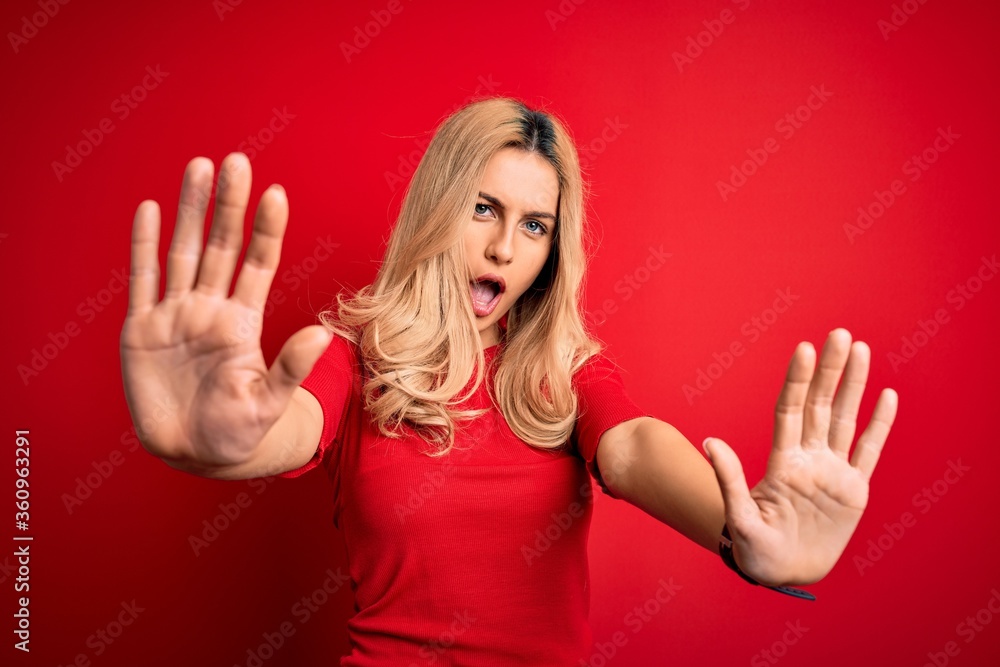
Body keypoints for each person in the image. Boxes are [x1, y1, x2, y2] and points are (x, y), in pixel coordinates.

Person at [119, 97, 899, 664]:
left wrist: (741, 535)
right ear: (438, 206)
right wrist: (221, 443)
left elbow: (631, 448)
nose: (502, 248)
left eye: (534, 224)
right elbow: (289, 424)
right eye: (483, 208)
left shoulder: (566, 372)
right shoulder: (352, 355)